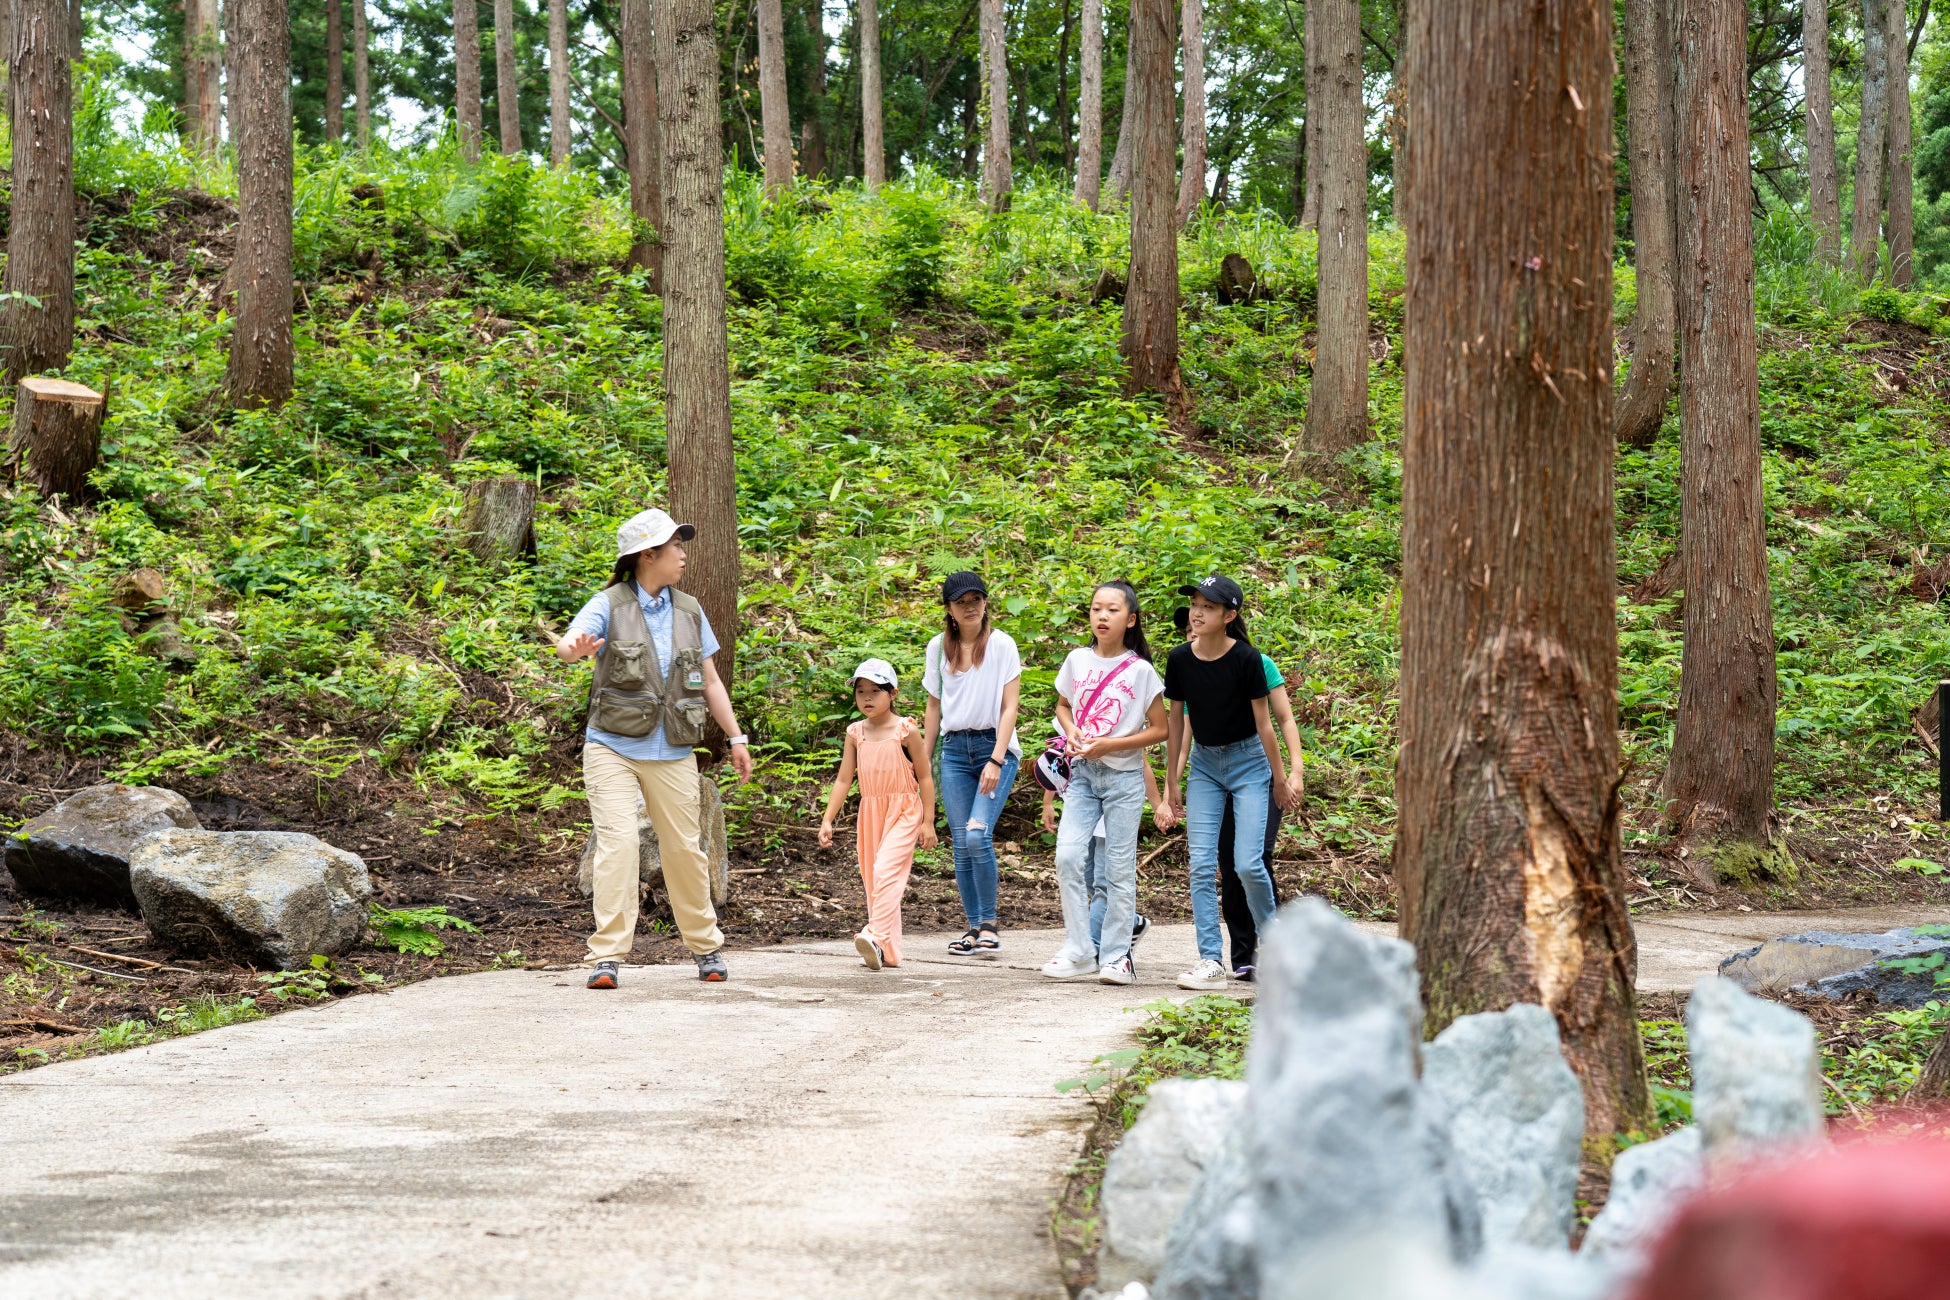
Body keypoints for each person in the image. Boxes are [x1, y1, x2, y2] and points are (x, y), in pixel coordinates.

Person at [557, 508, 753, 989]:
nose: (683, 556)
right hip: (612, 747)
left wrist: (736, 737)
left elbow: (709, 681)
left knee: (685, 849)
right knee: (619, 844)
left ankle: (706, 948)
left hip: (672, 750)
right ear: (648, 555)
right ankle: (606, 956)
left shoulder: (689, 610)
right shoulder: (610, 603)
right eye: (675, 548)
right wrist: (575, 650)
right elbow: (568, 644)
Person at [1162, 575, 1294, 992]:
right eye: (1195, 604)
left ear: (1229, 615)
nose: (1197, 612)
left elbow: (1265, 724)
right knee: (1201, 864)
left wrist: (1280, 778)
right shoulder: (1180, 659)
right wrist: (1171, 782)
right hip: (1204, 765)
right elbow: (1176, 724)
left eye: (1209, 606)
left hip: (1250, 764)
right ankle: (1210, 961)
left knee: (1247, 864)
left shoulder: (1248, 659)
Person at [1039, 581, 1169, 985]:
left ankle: (1117, 956)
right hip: (1081, 777)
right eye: (1096, 608)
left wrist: (1112, 744)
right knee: (1067, 857)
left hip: (1123, 779)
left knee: (1117, 870)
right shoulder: (1077, 660)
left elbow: (1161, 729)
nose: (1102, 616)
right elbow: (1062, 705)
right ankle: (1079, 949)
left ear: (1130, 620)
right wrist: (1072, 730)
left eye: (1112, 610)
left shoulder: (1141, 670)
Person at [922, 571, 1023, 958]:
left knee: (979, 834)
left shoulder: (1001, 644)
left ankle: (990, 925)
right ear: (948, 608)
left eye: (976, 599)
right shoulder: (938, 647)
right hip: (953, 750)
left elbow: (1010, 704)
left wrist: (996, 758)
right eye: (961, 601)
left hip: (992, 748)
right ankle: (973, 926)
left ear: (985, 603)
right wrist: (924, 762)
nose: (970, 607)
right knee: (962, 843)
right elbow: (933, 706)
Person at [817, 659, 938, 969]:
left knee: (886, 870)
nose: (867, 698)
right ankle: (887, 951)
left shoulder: (905, 730)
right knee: (874, 881)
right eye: (860, 692)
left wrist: (927, 822)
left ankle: (873, 933)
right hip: (870, 811)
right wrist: (828, 818)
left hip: (904, 810)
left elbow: (924, 777)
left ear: (892, 693)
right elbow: (845, 778)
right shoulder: (855, 733)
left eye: (875, 691)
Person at [1040, 765, 1165, 965]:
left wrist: (1158, 805)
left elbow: (1141, 763)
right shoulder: (1070, 733)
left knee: (1104, 882)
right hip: (1081, 803)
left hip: (1114, 802)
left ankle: (1094, 946)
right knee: (1086, 876)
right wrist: (1048, 801)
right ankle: (1130, 921)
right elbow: (1058, 759)